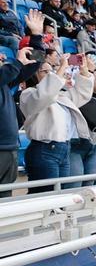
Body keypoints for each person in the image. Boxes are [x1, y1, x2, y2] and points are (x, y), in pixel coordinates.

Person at [20, 46, 93, 193]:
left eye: (51, 70)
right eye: (44, 71)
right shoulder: (28, 94)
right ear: (33, 75)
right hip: (43, 150)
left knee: (60, 197)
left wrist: (84, 71)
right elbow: (43, 95)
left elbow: (81, 94)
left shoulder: (59, 95)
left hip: (63, 149)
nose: (50, 74)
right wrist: (61, 70)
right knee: (46, 197)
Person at [0, 45, 39, 194]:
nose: (2, 57)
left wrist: (35, 38)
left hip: (9, 149)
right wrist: (16, 63)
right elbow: (10, 72)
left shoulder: (3, 83)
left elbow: (30, 67)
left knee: (5, 200)